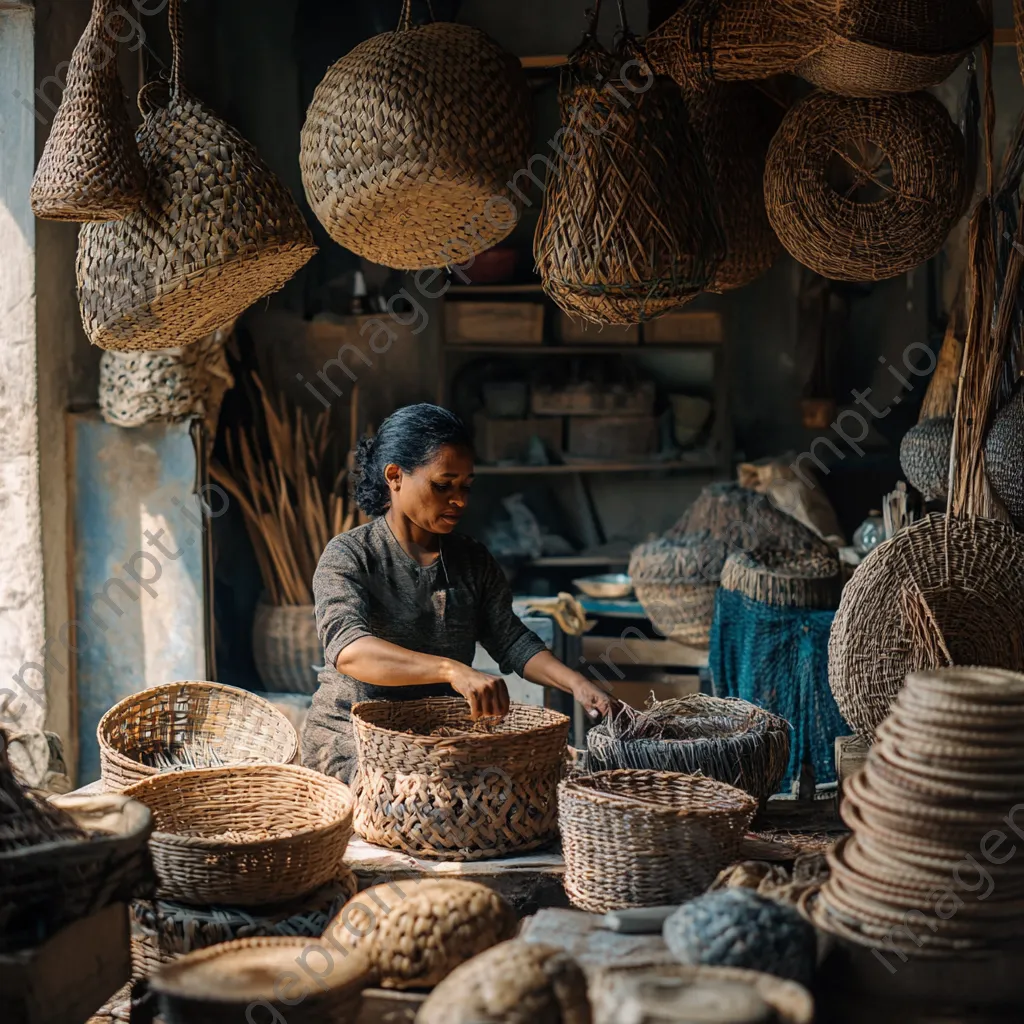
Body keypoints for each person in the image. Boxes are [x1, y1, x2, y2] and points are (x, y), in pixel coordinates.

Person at [302, 403, 613, 783]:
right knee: (417, 799)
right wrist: (451, 670)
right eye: (442, 485)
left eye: (466, 486)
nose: (460, 500)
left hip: (438, 739)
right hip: (355, 742)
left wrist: (578, 683)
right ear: (395, 477)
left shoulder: (472, 560)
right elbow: (350, 652)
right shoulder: (351, 555)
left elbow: (511, 639)